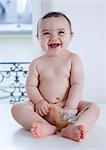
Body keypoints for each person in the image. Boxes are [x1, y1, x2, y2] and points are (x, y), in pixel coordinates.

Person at [11, 12, 100, 142]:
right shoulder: (37, 63)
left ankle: (75, 127)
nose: (53, 37)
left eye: (61, 32)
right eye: (46, 33)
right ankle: (44, 126)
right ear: (38, 38)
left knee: (94, 108)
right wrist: (39, 102)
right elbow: (31, 86)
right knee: (17, 108)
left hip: (69, 110)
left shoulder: (73, 59)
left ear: (71, 36)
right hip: (43, 112)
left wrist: (70, 107)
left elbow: (77, 84)